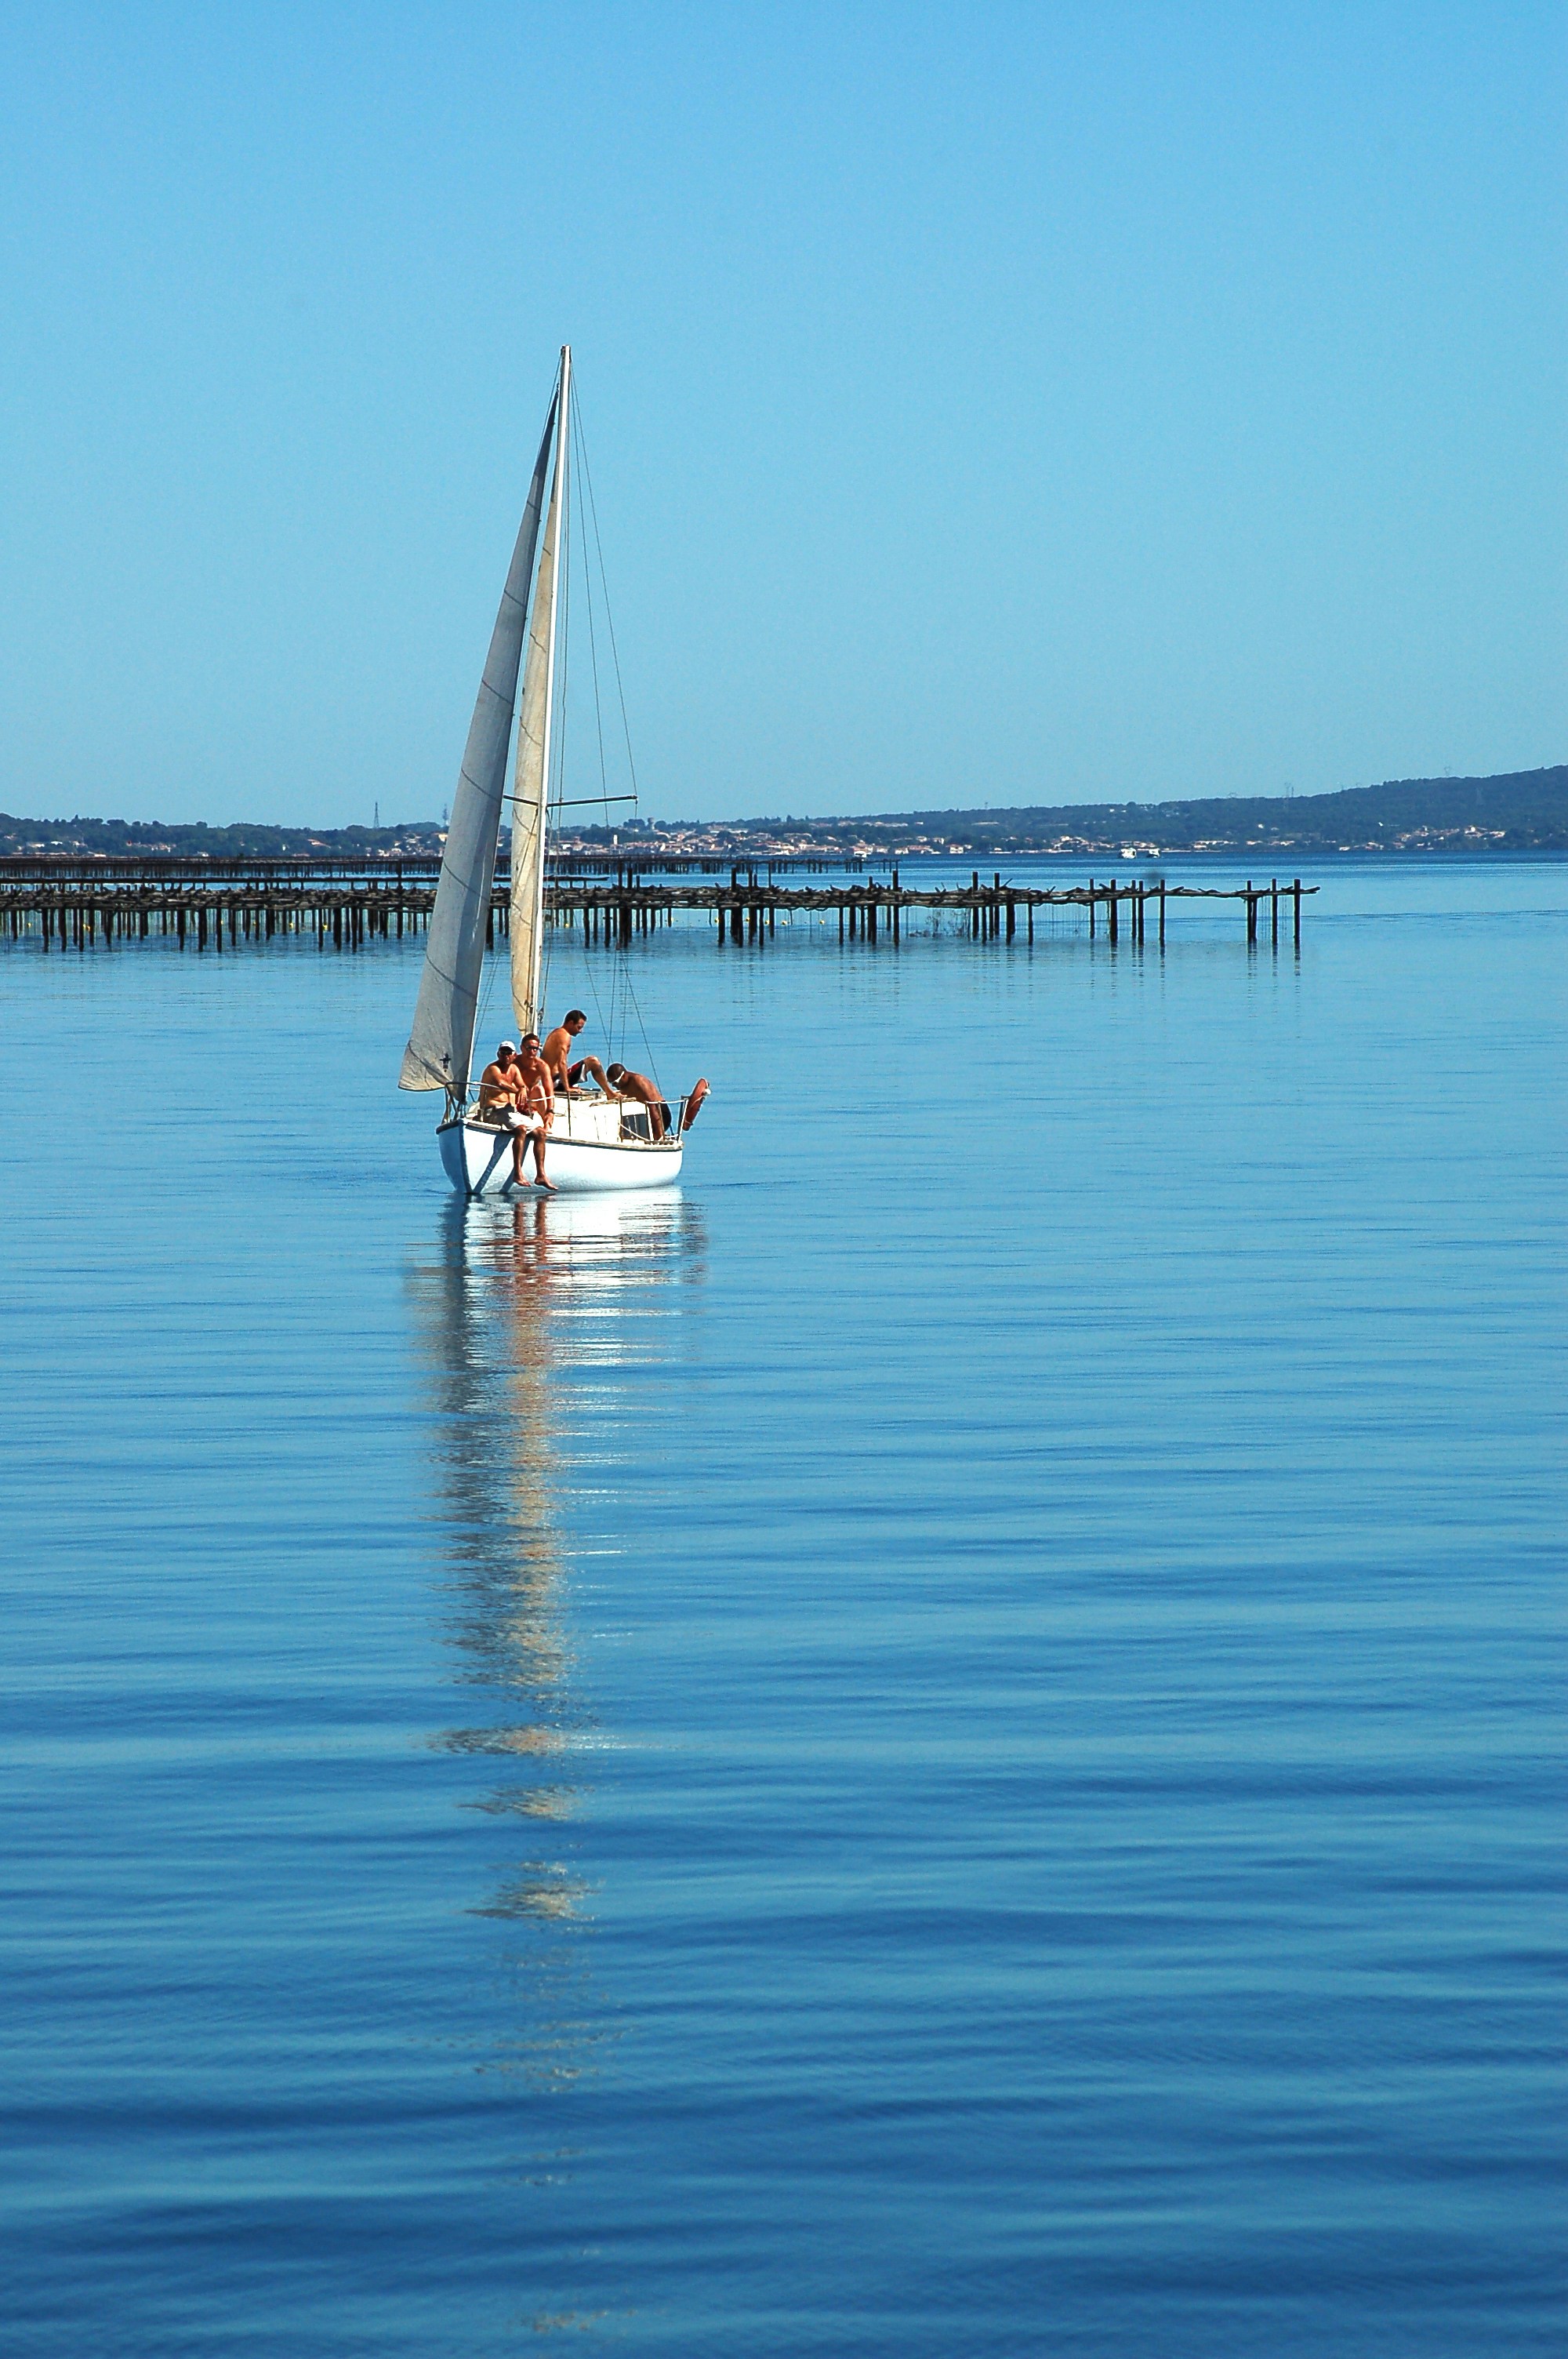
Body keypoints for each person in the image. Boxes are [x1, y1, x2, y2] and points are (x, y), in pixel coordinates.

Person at [476, 1041, 543, 1187]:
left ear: (514, 1055)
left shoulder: (513, 1069)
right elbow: (500, 1083)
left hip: (509, 1111)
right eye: (503, 1052)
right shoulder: (493, 1068)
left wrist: (523, 1088)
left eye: (509, 1053)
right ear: (498, 1054)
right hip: (493, 1111)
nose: (505, 1055)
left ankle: (541, 1175)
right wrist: (517, 1091)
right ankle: (517, 1173)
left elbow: (521, 1085)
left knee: (540, 1133)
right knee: (521, 1129)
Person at [510, 1034, 557, 1188]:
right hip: (516, 1098)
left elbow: (549, 1088)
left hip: (532, 1099)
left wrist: (550, 1110)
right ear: (522, 1048)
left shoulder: (541, 1065)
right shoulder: (514, 1063)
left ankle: (546, 1125)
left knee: (539, 1089)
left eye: (535, 1049)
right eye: (529, 1048)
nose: (532, 1052)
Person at [542, 1009, 620, 1099]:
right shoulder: (564, 1036)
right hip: (555, 1082)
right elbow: (562, 1063)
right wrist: (567, 1088)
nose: (580, 1031)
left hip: (552, 1080)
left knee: (591, 1061)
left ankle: (609, 1092)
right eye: (579, 1027)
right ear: (571, 1023)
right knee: (593, 1062)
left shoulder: (557, 1032)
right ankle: (610, 1094)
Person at [604, 1062, 672, 1141]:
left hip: (660, 1113)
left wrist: (659, 1135)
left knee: (654, 1138)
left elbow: (652, 1105)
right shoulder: (624, 1085)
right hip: (649, 1114)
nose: (614, 1086)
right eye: (611, 1084)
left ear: (624, 1076)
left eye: (615, 1083)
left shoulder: (639, 1082)